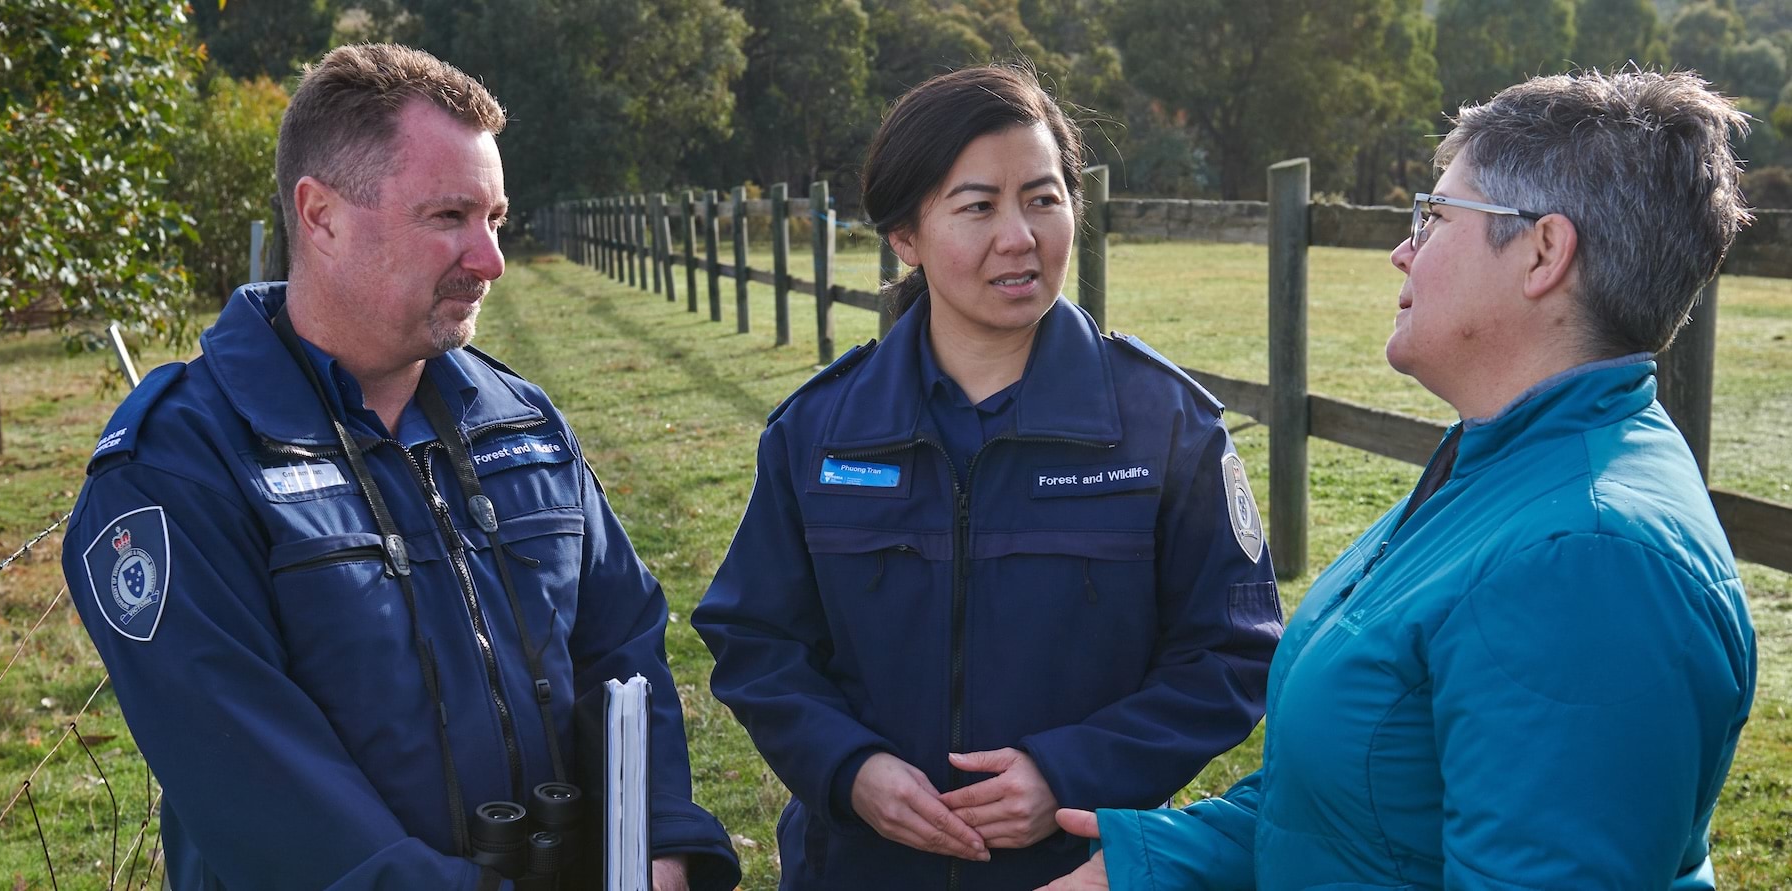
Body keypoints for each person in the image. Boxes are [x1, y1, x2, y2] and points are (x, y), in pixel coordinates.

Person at [1042, 70, 1760, 891]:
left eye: (1434, 214)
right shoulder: (1497, 468)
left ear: (1542, 251)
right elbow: (1364, 815)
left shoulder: (1586, 560)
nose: (1402, 247)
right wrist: (1144, 865)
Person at [61, 44, 740, 891]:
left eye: (493, 219)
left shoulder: (520, 421)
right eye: (447, 217)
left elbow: (622, 645)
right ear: (321, 216)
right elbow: (256, 784)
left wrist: (657, 839)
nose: (490, 259)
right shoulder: (179, 466)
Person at [690, 64, 1284, 890]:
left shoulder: (1167, 425)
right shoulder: (818, 429)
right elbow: (757, 640)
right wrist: (849, 769)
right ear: (904, 235)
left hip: (1074, 870)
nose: (1021, 237)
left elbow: (1231, 651)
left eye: (1043, 199)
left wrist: (1068, 772)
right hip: (856, 868)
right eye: (977, 206)